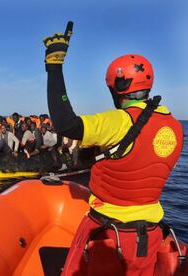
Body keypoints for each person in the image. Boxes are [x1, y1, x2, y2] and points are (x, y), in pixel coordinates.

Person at [43, 22, 183, 274]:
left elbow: (66, 124)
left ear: (117, 87)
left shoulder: (119, 120)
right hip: (149, 236)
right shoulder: (174, 125)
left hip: (109, 234)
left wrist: (54, 67)